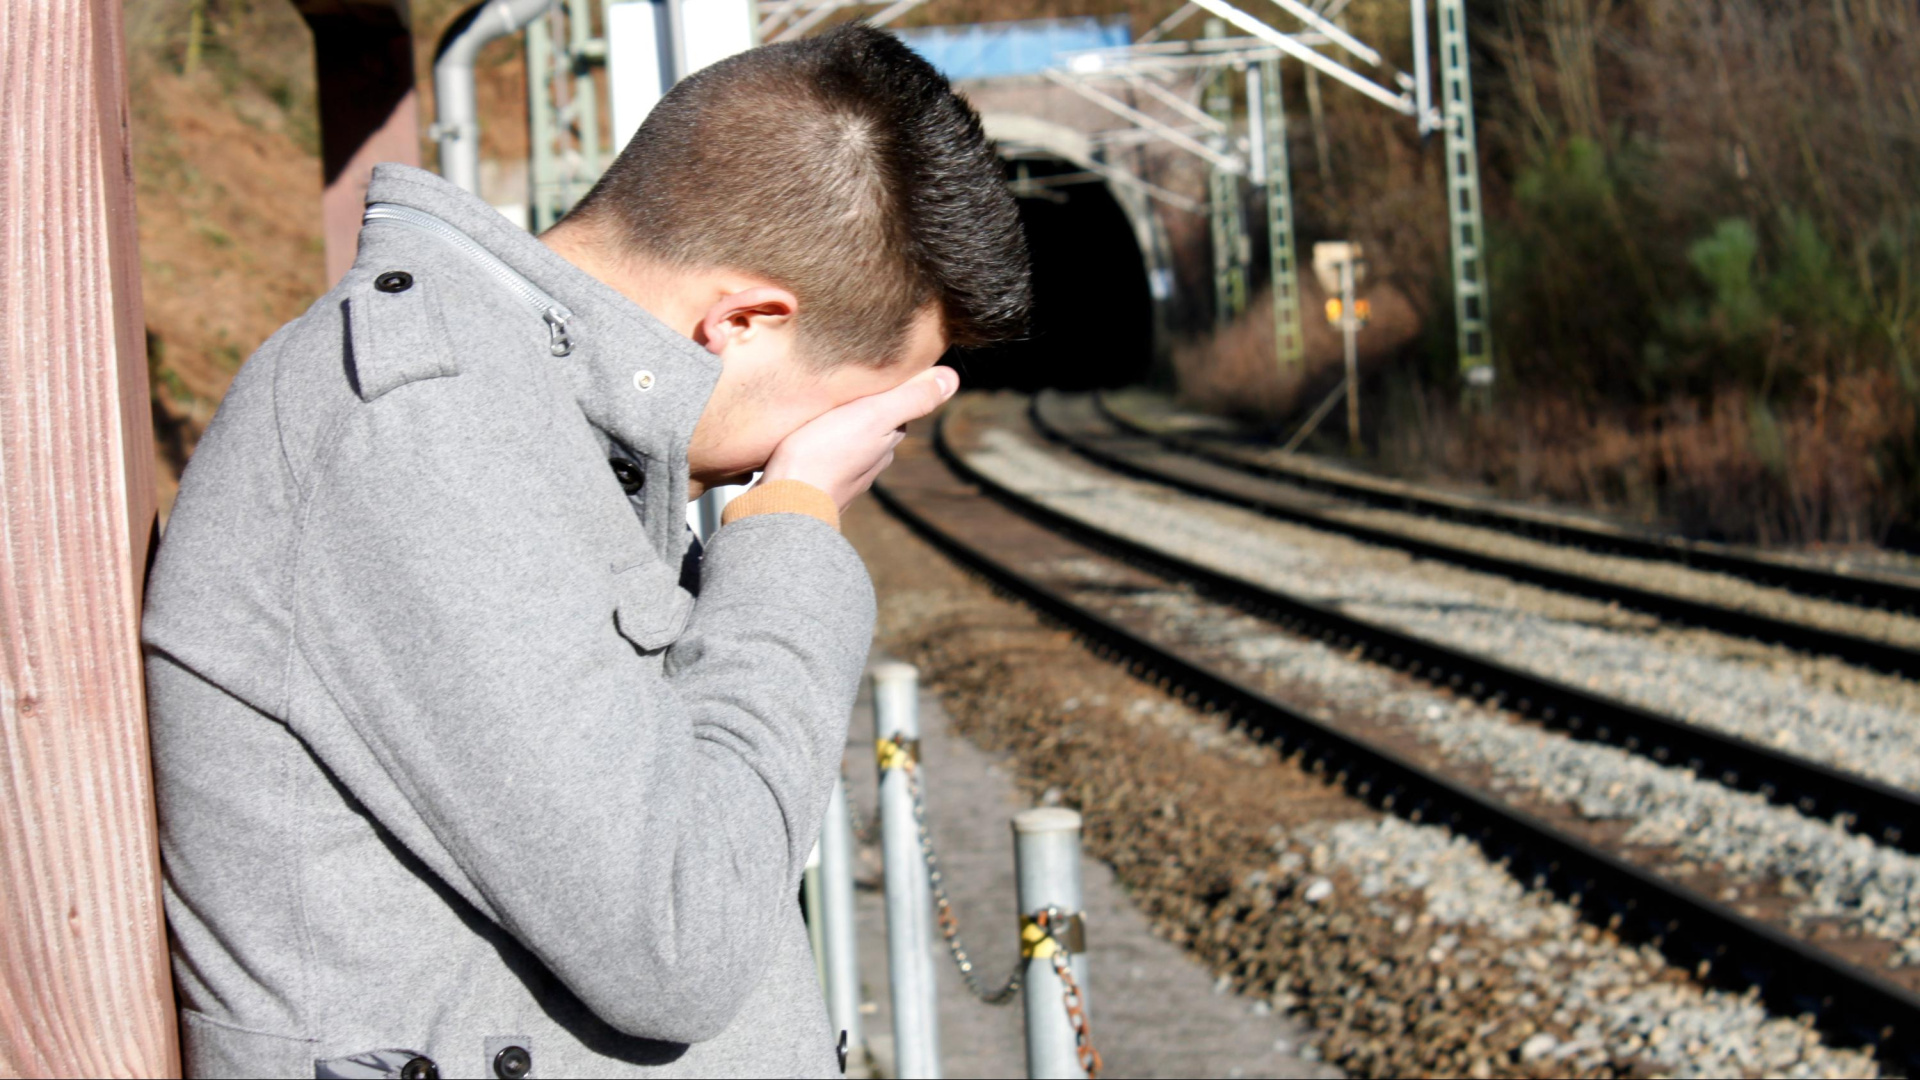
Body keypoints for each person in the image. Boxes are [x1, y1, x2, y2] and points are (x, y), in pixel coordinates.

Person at [141, 24, 1029, 1079]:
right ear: (744, 319)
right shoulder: (427, 430)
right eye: (857, 408)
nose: (855, 440)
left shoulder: (525, 413)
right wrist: (794, 520)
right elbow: (680, 939)